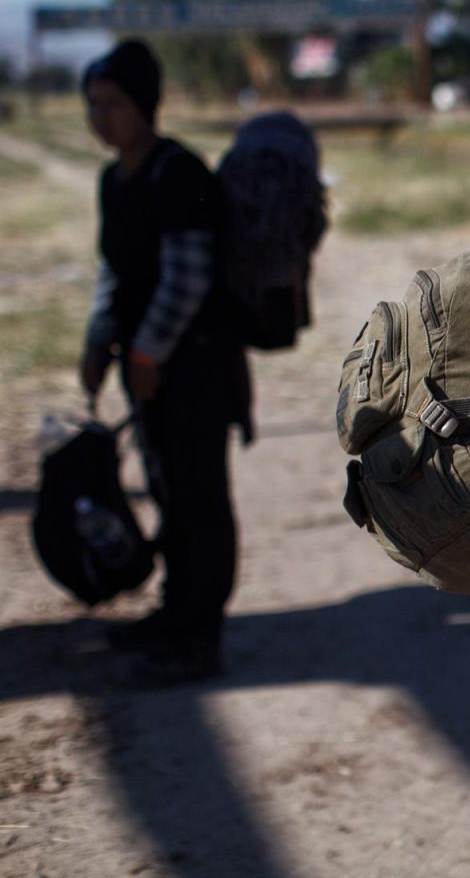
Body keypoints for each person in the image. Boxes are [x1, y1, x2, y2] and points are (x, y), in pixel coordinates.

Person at [79, 39, 250, 684]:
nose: (101, 117)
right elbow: (113, 273)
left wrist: (146, 351)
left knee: (201, 500)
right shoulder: (114, 177)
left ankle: (200, 635)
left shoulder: (176, 172)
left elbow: (188, 277)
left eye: (113, 103)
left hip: (196, 371)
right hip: (149, 372)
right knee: (166, 491)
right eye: (93, 105)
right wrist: (99, 342)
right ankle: (175, 613)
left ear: (145, 104)